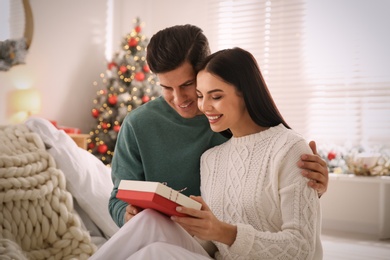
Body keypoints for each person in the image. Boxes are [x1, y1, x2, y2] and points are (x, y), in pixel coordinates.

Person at [91, 47, 322, 259]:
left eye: (216, 96)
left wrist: (224, 232)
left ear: (246, 93)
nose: (204, 107)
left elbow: (302, 248)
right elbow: (212, 245)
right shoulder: (211, 158)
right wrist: (195, 226)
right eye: (201, 96)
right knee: (150, 223)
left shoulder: (289, 149)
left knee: (155, 253)